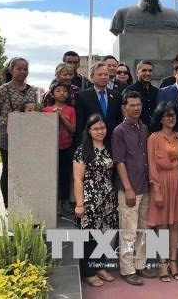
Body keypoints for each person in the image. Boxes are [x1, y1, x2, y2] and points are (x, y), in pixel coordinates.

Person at [112, 91, 156, 285]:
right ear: (124, 107)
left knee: (143, 229)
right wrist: (128, 188)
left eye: (139, 105)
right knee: (128, 231)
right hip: (129, 189)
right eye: (132, 105)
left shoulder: (144, 128)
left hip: (144, 187)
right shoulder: (119, 131)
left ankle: (140, 265)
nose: (136, 108)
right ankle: (127, 269)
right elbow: (119, 161)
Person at [74, 113, 118, 287]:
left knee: (105, 234)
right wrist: (79, 203)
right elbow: (78, 179)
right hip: (90, 198)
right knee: (90, 236)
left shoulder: (108, 147)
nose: (100, 131)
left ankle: (100, 266)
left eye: (103, 128)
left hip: (107, 197)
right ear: (89, 130)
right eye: (96, 128)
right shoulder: (83, 150)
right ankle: (88, 271)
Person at [0, 57, 37, 209]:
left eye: (25, 69)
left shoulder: (32, 90)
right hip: (8, 135)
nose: (23, 72)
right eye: (19, 69)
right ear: (11, 70)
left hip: (27, 135)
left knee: (26, 168)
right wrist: (4, 127)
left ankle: (24, 201)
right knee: (8, 168)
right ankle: (8, 204)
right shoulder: (3, 90)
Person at [147, 101, 178, 282]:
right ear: (160, 118)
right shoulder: (153, 138)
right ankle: (162, 264)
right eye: (167, 115)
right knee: (162, 225)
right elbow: (152, 166)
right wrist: (156, 190)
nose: (171, 118)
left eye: (173, 115)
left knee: (175, 224)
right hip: (161, 182)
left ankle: (173, 262)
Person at [42, 82, 76, 216]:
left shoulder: (71, 110)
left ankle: (65, 202)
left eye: (64, 91)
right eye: (58, 91)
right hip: (50, 148)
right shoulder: (46, 110)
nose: (62, 93)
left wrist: (61, 117)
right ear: (52, 94)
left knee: (65, 176)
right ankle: (53, 203)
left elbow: (72, 129)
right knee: (51, 176)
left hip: (66, 147)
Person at [75, 62, 123, 145]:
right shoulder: (83, 96)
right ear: (92, 77)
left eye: (106, 74)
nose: (103, 77)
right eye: (100, 75)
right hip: (91, 142)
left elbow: (119, 120)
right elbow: (80, 123)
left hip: (113, 141)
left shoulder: (117, 96)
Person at [125, 60, 158, 127]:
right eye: (144, 70)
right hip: (135, 132)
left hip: (155, 132)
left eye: (150, 71)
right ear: (137, 73)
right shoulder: (129, 90)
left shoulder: (156, 91)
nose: (147, 73)